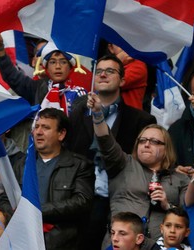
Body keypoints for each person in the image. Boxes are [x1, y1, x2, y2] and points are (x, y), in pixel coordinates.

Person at [69, 55, 156, 249]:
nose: (103, 75)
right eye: (99, 71)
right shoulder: (77, 112)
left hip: (117, 199)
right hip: (79, 197)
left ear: (123, 80)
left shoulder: (141, 120)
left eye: (110, 71)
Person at [91, 93, 188, 241]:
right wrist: (98, 113)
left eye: (154, 141)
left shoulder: (180, 178)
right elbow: (105, 141)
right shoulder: (123, 164)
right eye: (142, 141)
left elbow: (187, 218)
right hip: (121, 244)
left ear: (166, 148)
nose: (147, 144)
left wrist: (167, 205)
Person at [12, 108, 94, 249]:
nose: (38, 132)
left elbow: (82, 202)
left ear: (61, 134)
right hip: (23, 240)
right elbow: (5, 199)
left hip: (62, 242)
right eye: (36, 127)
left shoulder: (79, 165)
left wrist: (37, 210)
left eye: (46, 127)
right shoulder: (21, 164)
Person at [0, 38, 87, 115]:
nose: (58, 67)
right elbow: (11, 75)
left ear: (70, 67)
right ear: (46, 67)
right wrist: (0, 50)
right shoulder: (36, 88)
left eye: (63, 62)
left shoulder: (80, 94)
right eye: (53, 62)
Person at [107, 43, 147, 110]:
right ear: (111, 48)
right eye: (120, 43)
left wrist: (117, 61)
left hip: (130, 116)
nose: (125, 46)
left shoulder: (139, 65)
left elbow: (110, 83)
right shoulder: (105, 64)